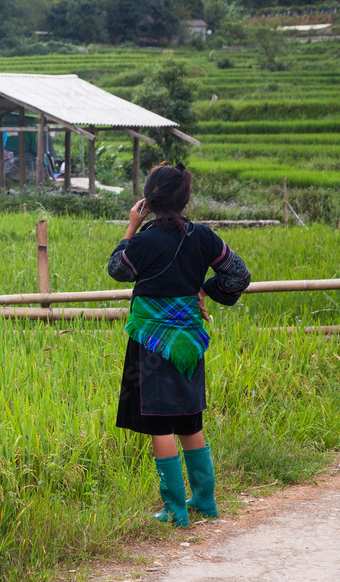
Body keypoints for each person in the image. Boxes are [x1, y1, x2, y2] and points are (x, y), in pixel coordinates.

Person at [107, 164, 251, 527]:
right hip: (189, 340)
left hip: (152, 342)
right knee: (189, 418)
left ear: (148, 200)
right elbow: (238, 275)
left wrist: (130, 227)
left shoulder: (142, 242)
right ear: (185, 200)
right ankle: (205, 498)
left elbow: (117, 269)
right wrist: (205, 289)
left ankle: (175, 509)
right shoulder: (203, 237)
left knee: (160, 424)